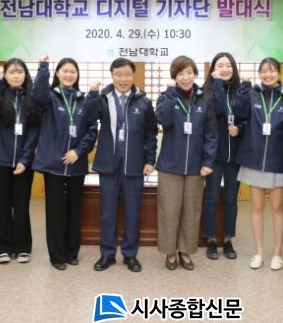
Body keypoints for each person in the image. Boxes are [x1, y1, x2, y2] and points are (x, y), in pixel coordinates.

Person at [83, 58, 157, 272]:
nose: (123, 79)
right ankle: (107, 254)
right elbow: (88, 117)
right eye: (118, 74)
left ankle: (130, 254)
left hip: (134, 165)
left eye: (127, 74)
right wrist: (91, 94)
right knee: (107, 212)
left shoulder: (144, 102)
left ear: (133, 76)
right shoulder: (102, 98)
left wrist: (150, 160)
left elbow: (150, 134)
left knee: (133, 213)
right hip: (109, 165)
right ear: (112, 76)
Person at [32, 55, 97, 270]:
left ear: (77, 75)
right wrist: (43, 68)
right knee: (55, 212)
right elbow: (37, 95)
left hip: (77, 164)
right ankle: (57, 256)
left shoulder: (83, 99)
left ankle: (72, 252)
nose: (69, 75)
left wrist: (78, 151)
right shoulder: (49, 97)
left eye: (73, 71)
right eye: (65, 71)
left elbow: (92, 129)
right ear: (58, 74)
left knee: (74, 210)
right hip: (54, 164)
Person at [156, 56, 217, 271]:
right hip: (169, 165)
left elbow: (211, 133)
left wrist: (208, 161)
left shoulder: (204, 98)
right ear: (174, 76)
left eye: (189, 72)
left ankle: (186, 250)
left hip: (196, 166)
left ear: (195, 74)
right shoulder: (166, 96)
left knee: (191, 212)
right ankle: (170, 251)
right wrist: (170, 94)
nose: (186, 78)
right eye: (181, 74)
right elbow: (163, 120)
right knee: (169, 211)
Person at [233, 58, 283, 271]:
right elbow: (239, 112)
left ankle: (277, 254)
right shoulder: (252, 93)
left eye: (272, 71)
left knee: (277, 208)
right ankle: (259, 252)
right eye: (264, 71)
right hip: (254, 158)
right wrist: (243, 87)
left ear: (279, 73)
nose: (268, 75)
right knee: (257, 207)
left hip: (278, 159)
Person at [0, 58, 40, 264]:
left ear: (25, 75)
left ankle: (23, 247)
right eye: (11, 72)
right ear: (5, 75)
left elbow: (34, 130)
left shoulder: (31, 97)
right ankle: (2, 247)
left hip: (24, 162)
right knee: (2, 205)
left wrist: (25, 158)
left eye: (20, 72)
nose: (16, 76)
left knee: (22, 205)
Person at [202, 53, 245, 260]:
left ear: (234, 68)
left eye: (229, 65)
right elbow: (219, 108)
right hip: (214, 155)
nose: (225, 69)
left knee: (231, 200)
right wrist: (217, 82)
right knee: (211, 198)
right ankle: (211, 239)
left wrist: (240, 129)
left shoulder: (241, 91)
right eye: (220, 66)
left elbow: (246, 117)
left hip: (234, 156)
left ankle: (228, 239)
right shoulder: (207, 92)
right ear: (213, 69)